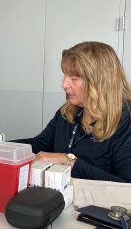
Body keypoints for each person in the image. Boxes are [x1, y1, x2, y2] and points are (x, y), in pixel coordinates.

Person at [14, 41, 131, 183]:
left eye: (74, 78)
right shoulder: (68, 111)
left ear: (99, 82)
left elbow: (126, 185)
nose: (64, 84)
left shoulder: (126, 120)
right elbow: (39, 144)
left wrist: (68, 160)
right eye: (65, 76)